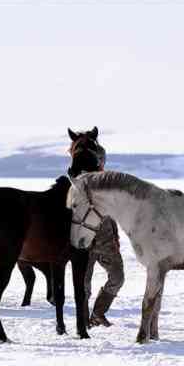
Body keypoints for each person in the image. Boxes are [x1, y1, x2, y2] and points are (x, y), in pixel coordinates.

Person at [69, 134, 125, 327]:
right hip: (84, 243)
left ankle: (98, 313)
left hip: (106, 240)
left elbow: (112, 212)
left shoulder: (107, 183)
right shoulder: (76, 182)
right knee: (84, 286)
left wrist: (115, 235)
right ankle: (84, 320)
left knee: (118, 278)